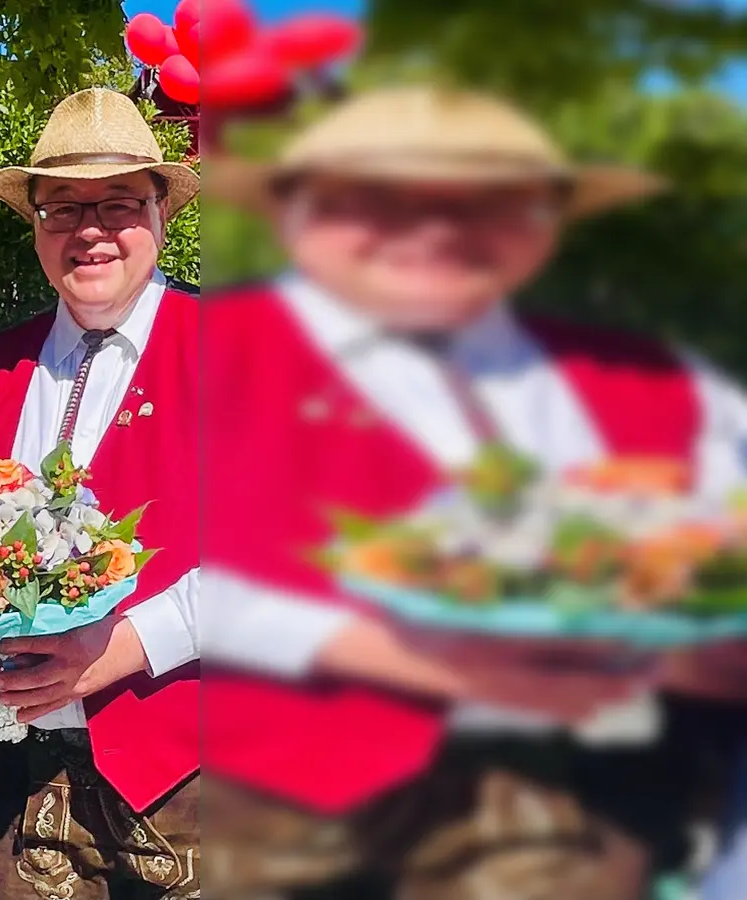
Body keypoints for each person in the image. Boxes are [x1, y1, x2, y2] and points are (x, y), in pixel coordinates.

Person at [200, 84, 747, 899]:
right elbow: (155, 576)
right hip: (270, 802)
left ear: (548, 218)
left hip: (588, 795)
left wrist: (701, 645)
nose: (433, 228)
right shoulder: (205, 348)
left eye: (485, 200)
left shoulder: (656, 378)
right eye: (376, 197)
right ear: (292, 211)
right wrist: (435, 666)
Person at [0, 87, 202, 899]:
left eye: (119, 203)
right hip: (20, 781)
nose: (90, 230)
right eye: (62, 208)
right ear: (36, 227)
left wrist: (121, 648)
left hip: (189, 782)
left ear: (161, 217)